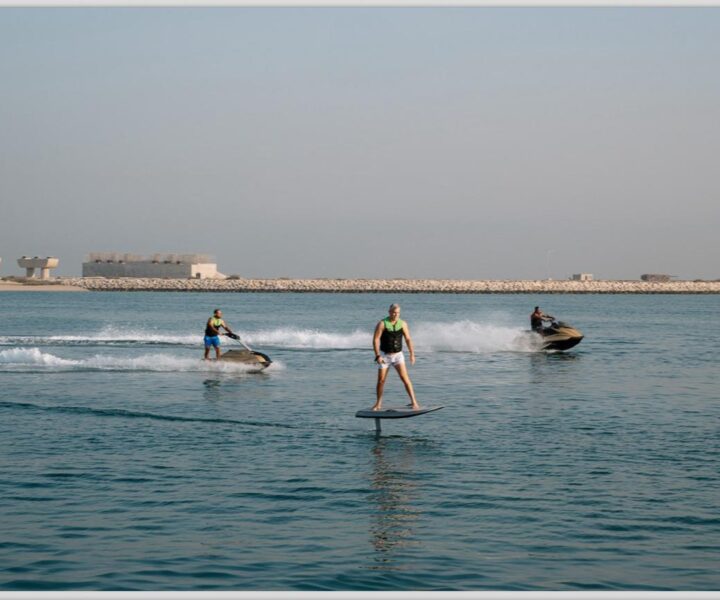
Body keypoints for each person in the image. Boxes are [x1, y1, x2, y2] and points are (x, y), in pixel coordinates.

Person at [372, 303, 419, 411]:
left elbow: (408, 339)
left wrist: (412, 354)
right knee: (381, 380)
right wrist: (377, 355)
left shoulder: (403, 324)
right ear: (389, 312)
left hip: (398, 355)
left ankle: (414, 402)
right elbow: (375, 339)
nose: (395, 314)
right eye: (393, 312)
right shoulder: (382, 324)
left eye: (397, 313)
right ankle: (378, 403)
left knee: (405, 378)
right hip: (385, 356)